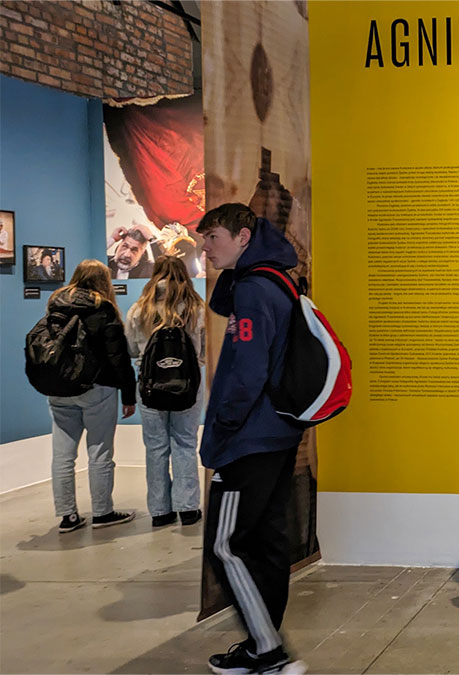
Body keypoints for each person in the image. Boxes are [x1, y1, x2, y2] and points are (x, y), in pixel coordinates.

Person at [197, 203, 306, 674]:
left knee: (225, 545)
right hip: (277, 432)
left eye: (214, 237)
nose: (206, 247)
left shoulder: (255, 290)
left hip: (249, 437)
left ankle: (270, 651)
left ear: (243, 237)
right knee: (267, 541)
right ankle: (263, 642)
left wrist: (223, 426)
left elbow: (246, 370)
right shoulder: (275, 280)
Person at [43, 259, 138, 533]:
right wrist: (128, 395)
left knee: (62, 456)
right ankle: (102, 512)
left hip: (59, 388)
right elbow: (117, 357)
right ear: (104, 281)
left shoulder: (55, 303)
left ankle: (67, 517)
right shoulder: (103, 308)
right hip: (97, 388)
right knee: (100, 452)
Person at [126, 255, 206, 528]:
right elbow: (204, 350)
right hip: (188, 385)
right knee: (185, 443)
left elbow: (132, 349)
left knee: (156, 447)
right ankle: (188, 508)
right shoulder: (196, 308)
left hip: (150, 386)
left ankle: (160, 511)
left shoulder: (140, 308)